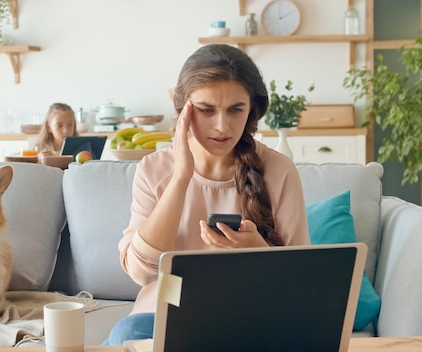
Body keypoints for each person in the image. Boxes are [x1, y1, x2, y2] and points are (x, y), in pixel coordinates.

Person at [103, 44, 311, 345]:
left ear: (251, 109)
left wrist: (258, 251)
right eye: (206, 110)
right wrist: (181, 178)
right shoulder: (153, 169)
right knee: (126, 335)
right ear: (183, 108)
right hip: (165, 313)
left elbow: (301, 284)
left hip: (250, 316)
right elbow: (141, 272)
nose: (222, 126)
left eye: (235, 110)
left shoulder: (279, 171)